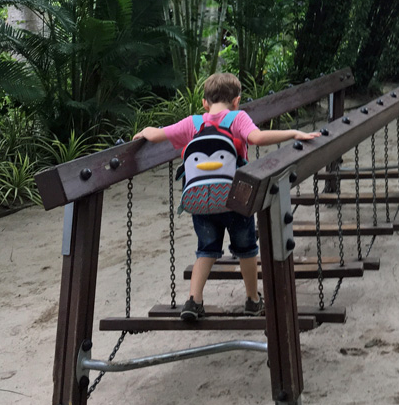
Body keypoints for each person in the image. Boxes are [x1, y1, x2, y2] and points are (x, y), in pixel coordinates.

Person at [133, 71, 320, 322]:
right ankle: (253, 300)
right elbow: (257, 138)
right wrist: (293, 133)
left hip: (200, 201)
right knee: (246, 249)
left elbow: (156, 135)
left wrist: (145, 130)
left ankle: (194, 300)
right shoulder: (237, 118)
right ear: (236, 101)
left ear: (204, 103)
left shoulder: (193, 122)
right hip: (235, 199)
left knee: (206, 249)